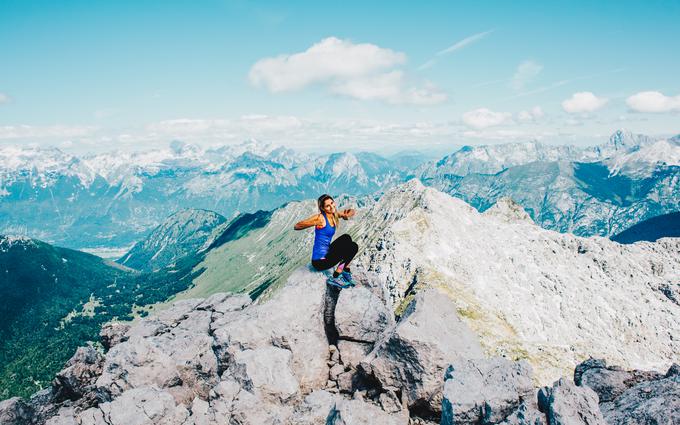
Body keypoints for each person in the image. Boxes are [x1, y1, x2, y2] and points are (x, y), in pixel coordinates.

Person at [294, 194, 358, 288]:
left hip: (327, 253)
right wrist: (315, 222)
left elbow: (349, 212)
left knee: (347, 238)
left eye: (332, 203)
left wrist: (349, 213)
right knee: (353, 247)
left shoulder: (333, 214)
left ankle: (344, 269)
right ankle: (336, 276)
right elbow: (297, 226)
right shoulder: (320, 218)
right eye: (328, 206)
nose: (331, 207)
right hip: (320, 261)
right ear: (323, 208)